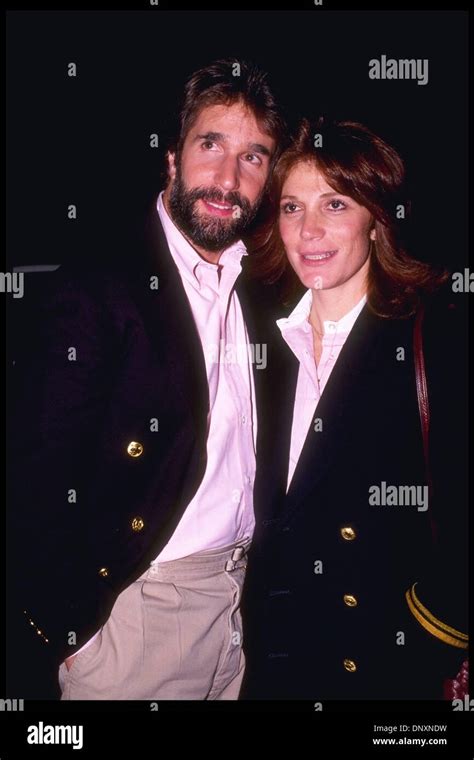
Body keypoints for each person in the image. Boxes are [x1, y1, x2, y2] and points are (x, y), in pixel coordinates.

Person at [6, 58, 286, 700]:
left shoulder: (263, 285)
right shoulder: (100, 282)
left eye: (253, 157)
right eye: (210, 144)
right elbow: (33, 476)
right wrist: (71, 628)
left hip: (241, 604)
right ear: (172, 158)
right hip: (138, 617)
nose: (227, 178)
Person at [240, 118, 468, 700]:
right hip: (276, 659)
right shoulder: (263, 343)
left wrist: (430, 640)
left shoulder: (433, 338)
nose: (309, 230)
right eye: (292, 208)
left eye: (335, 204)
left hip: (377, 665)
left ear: (376, 221)